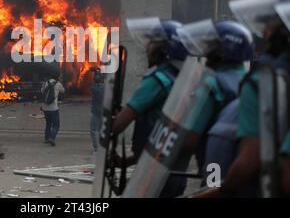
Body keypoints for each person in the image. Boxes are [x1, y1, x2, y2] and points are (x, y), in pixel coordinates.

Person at [194, 0, 290, 197]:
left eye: (270, 29)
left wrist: (216, 192)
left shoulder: (261, 84)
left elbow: (249, 161)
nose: (265, 35)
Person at [111, 17, 189, 197]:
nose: (147, 48)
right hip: (174, 173)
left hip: (152, 177)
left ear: (164, 49)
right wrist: (126, 161)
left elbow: (119, 123)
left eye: (152, 43)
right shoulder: (179, 79)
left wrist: (111, 121)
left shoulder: (157, 80)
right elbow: (162, 138)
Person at [175, 19, 254, 182]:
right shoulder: (249, 81)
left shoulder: (212, 84)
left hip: (214, 165)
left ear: (222, 51)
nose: (205, 52)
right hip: (243, 170)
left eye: (210, 47)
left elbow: (190, 140)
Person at [40, 74, 65, 147]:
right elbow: (63, 91)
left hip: (45, 107)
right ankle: (52, 137)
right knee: (56, 125)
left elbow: (42, 91)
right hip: (53, 108)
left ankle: (46, 138)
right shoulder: (58, 84)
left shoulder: (45, 83)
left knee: (48, 123)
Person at [90, 69, 105, 153]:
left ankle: (96, 148)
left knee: (93, 130)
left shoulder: (93, 87)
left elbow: (95, 82)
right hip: (103, 111)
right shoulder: (105, 87)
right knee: (100, 130)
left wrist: (95, 72)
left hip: (96, 111)